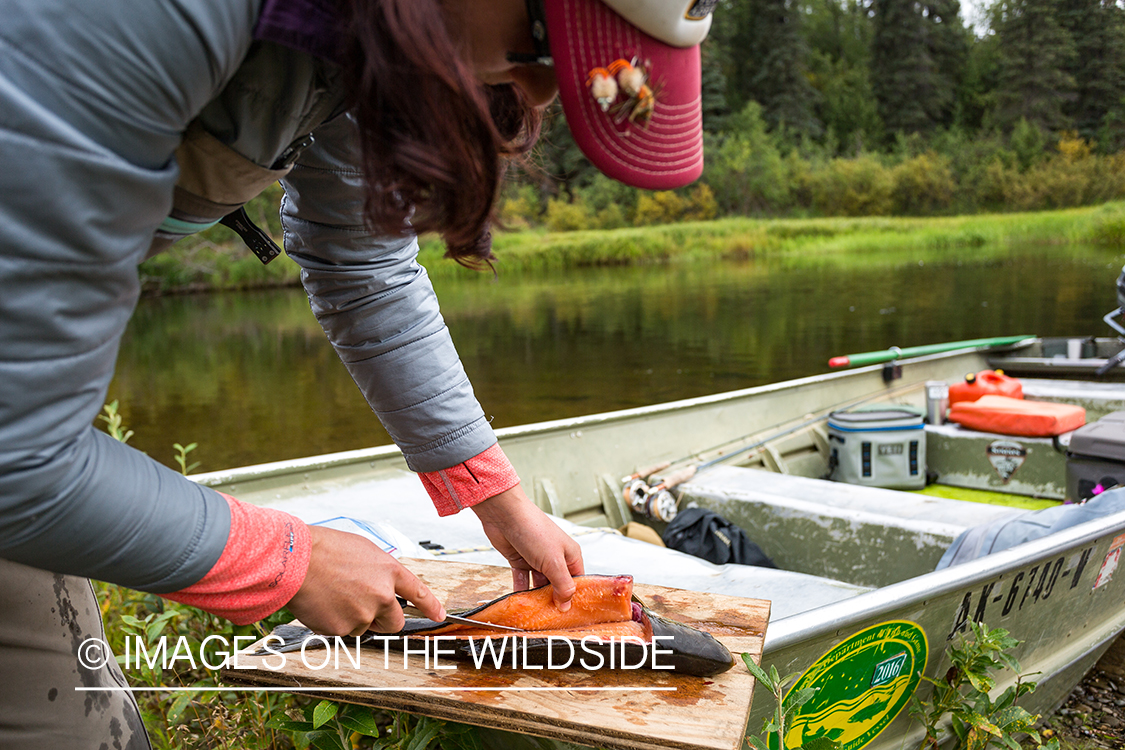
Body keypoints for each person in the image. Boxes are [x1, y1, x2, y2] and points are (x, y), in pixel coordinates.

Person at [0, 0, 715, 746]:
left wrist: (496, 498)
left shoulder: (369, 35)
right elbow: (18, 456)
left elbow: (364, 266)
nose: (534, 93)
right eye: (543, 41)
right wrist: (287, 560)